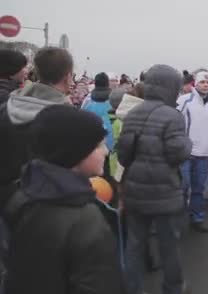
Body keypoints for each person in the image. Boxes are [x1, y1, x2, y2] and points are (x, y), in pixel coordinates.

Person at [4, 105, 123, 294]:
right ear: (75, 151)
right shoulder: (85, 218)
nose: (106, 151)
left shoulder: (22, 196)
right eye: (98, 145)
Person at [117, 64, 192, 294]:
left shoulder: (132, 113)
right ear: (170, 88)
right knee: (168, 245)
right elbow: (178, 153)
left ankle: (133, 289)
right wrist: (188, 144)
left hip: (135, 191)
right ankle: (173, 287)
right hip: (165, 192)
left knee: (135, 245)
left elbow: (123, 155)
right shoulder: (172, 116)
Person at [0, 47, 73, 208]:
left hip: (6, 196)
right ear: (68, 76)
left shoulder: (8, 104)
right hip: (43, 202)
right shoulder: (67, 117)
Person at [176, 71, 208, 233]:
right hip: (186, 153)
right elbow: (175, 123)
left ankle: (197, 218)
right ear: (195, 83)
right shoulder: (184, 101)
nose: (205, 85)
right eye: (202, 82)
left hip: (203, 153)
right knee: (183, 186)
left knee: (198, 188)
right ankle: (177, 219)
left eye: (207, 83)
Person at [82, 72, 114, 174]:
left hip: (92, 146)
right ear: (107, 83)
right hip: (112, 144)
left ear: (95, 83)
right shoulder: (114, 101)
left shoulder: (87, 100)